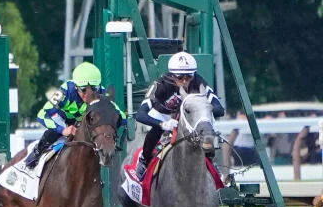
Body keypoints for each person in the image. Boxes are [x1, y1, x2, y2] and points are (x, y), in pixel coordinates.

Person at [130, 51, 225, 183]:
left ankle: (209, 160)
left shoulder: (199, 82)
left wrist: (204, 112)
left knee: (205, 127)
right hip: (163, 115)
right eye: (180, 78)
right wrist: (162, 124)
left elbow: (220, 109)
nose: (185, 81)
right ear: (172, 75)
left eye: (188, 77)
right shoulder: (161, 85)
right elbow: (141, 114)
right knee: (156, 131)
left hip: (188, 114)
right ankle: (144, 159)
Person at [28, 62, 107, 170]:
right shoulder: (64, 91)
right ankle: (36, 154)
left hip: (84, 123)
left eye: (93, 88)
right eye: (83, 89)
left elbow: (117, 114)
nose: (88, 94)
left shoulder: (102, 93)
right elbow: (42, 115)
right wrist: (63, 130)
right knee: (53, 132)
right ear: (75, 87)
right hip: (63, 121)